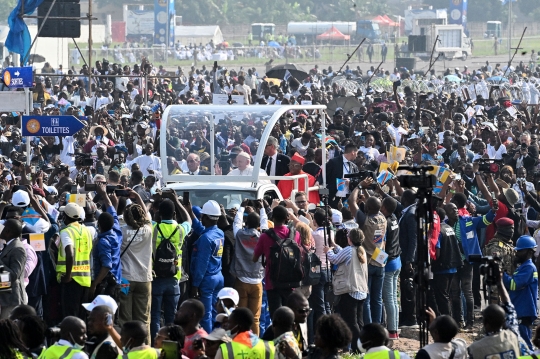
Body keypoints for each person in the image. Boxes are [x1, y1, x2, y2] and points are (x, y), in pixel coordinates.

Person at [151, 197, 192, 341]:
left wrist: (149, 201)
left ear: (159, 214)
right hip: (174, 278)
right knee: (171, 315)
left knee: (155, 315)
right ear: (174, 214)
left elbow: (144, 215)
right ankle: (171, 344)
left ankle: (156, 343)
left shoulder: (154, 227)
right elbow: (189, 221)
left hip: (156, 277)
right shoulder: (180, 229)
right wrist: (178, 202)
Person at [253, 205, 302, 318]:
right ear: (287, 218)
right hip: (291, 281)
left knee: (276, 316)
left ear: (273, 218)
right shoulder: (296, 235)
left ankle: (278, 335)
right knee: (290, 316)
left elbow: (254, 258)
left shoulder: (265, 236)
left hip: (272, 282)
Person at [325, 227, 368, 353]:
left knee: (351, 322)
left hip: (350, 291)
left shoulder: (350, 250)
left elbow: (335, 259)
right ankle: (361, 347)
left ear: (350, 239)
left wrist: (328, 251)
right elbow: (342, 253)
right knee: (359, 322)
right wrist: (334, 245)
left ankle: (357, 349)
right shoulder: (360, 250)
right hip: (361, 290)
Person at [118, 190, 153, 340]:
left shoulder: (122, 231)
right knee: (144, 320)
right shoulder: (148, 230)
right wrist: (137, 197)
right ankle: (145, 350)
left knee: (125, 320)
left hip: (126, 280)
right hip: (144, 279)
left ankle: (126, 350)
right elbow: (146, 216)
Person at [231, 199, 267, 335]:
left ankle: (240, 342)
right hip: (257, 282)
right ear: (258, 225)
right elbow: (264, 224)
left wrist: (241, 208)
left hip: (241, 280)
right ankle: (255, 346)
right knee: (255, 319)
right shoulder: (263, 236)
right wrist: (262, 208)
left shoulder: (239, 234)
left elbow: (236, 223)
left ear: (246, 223)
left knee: (240, 318)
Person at [190, 199, 225, 333]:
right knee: (215, 313)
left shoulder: (205, 239)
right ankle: (216, 338)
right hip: (218, 277)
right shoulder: (219, 233)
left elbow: (201, 265)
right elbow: (201, 230)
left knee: (205, 315)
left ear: (205, 217)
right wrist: (190, 213)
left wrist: (195, 285)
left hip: (207, 279)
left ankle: (208, 343)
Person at [467, 274, 520, 359]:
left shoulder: (474, 349)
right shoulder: (513, 336)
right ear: (503, 322)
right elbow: (509, 307)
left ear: (485, 323)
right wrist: (500, 282)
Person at [56, 202, 93, 320]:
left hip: (71, 281)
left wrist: (67, 275)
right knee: (82, 318)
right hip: (85, 279)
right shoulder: (87, 230)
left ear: (66, 217)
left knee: (70, 318)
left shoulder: (66, 231)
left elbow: (70, 254)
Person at [503, 235, 538, 349]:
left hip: (524, 310)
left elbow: (514, 285)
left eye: (520, 251)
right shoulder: (523, 267)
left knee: (524, 344)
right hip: (520, 309)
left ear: (529, 252)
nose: (517, 253)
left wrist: (501, 275)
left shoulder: (529, 267)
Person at [90, 183, 122, 299]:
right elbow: (112, 212)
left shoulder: (103, 242)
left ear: (98, 225)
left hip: (106, 284)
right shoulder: (117, 231)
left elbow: (107, 265)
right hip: (116, 280)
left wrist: (95, 284)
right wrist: (104, 195)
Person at [0, 219, 27, 319]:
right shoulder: (9, 245)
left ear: (7, 232)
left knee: (8, 332)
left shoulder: (18, 248)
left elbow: (13, 275)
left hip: (12, 301)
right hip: (5, 298)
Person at [326, 143, 359, 207]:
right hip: (334, 197)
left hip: (347, 198)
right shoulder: (333, 162)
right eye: (356, 153)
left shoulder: (354, 167)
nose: (356, 156)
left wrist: (350, 183)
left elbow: (357, 181)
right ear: (353, 152)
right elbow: (326, 178)